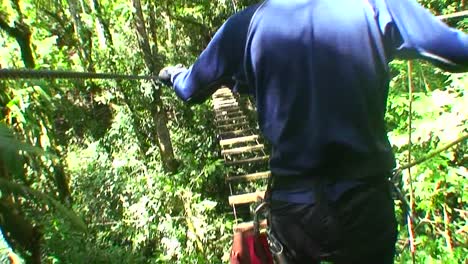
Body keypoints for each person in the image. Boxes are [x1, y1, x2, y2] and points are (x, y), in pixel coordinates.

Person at [159, 0, 468, 263]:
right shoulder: (377, 6)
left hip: (297, 211)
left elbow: (190, 89)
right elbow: (457, 51)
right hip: (366, 204)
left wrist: (172, 74)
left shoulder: (246, 24)